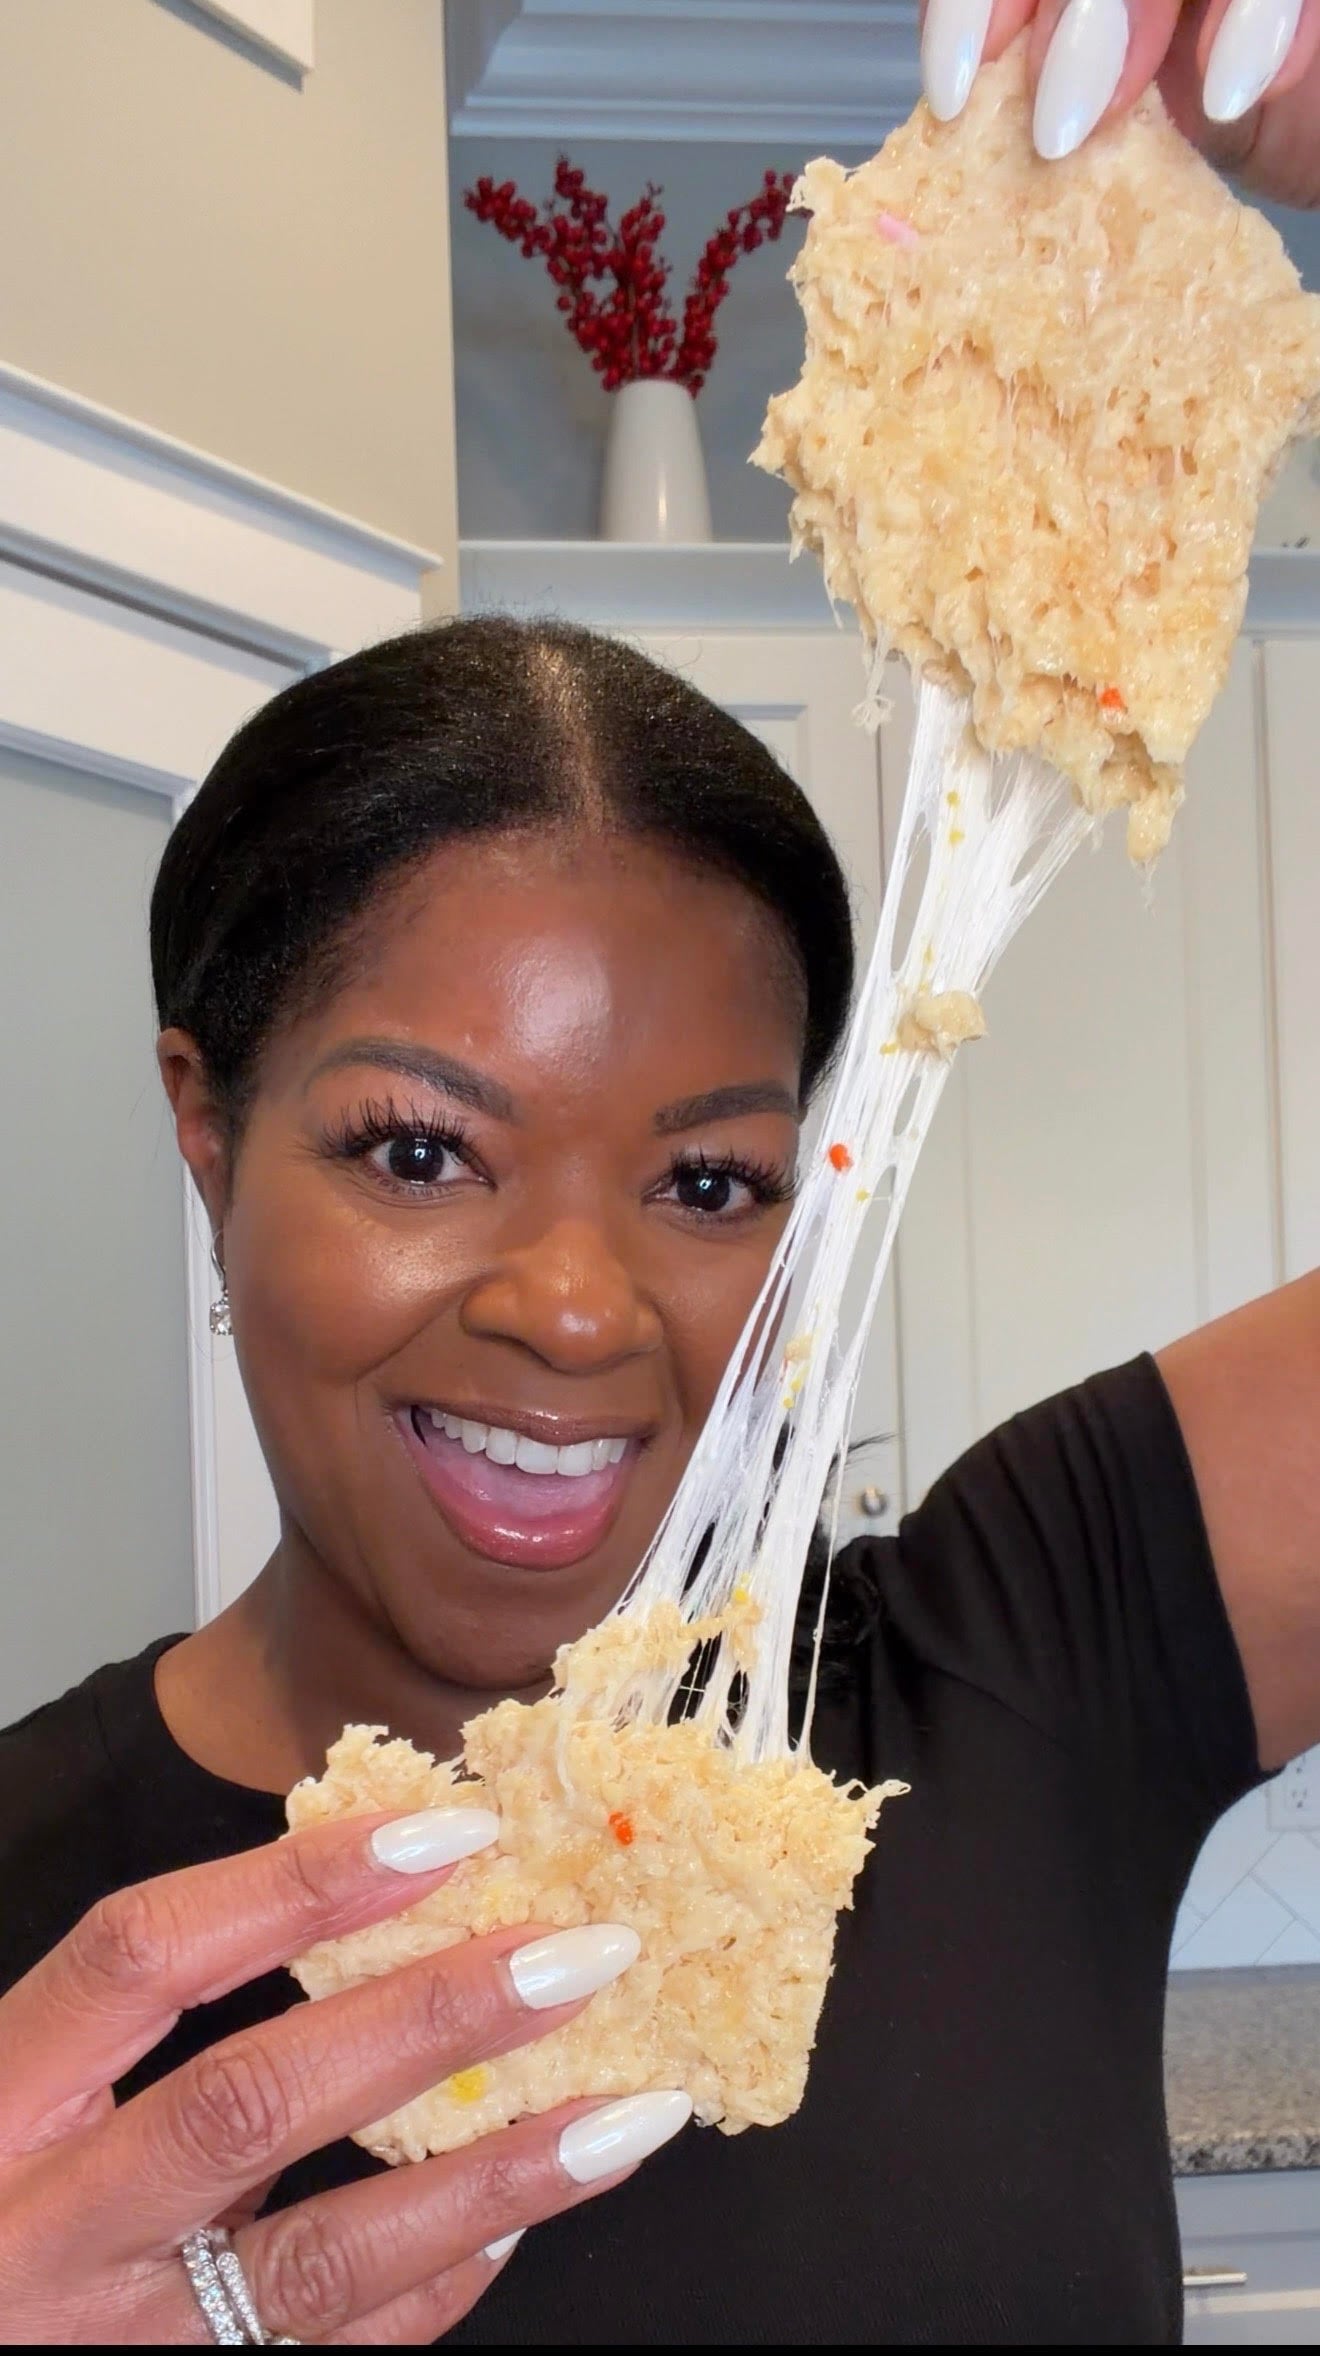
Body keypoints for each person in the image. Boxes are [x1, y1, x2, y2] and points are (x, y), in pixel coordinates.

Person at [0, 41, 1318, 2343]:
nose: (584, 1308)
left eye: (708, 1177)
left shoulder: (1030, 1656)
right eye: (420, 1148)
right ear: (206, 1125)